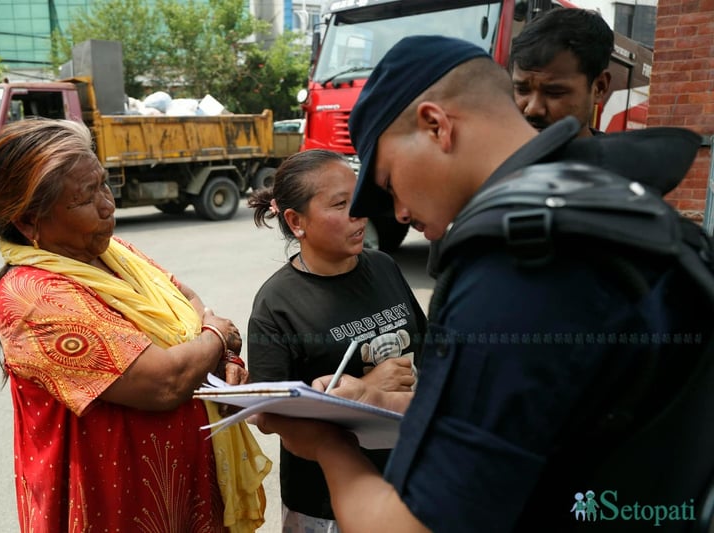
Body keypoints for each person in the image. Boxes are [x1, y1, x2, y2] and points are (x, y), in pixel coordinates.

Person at [251, 36, 707, 532]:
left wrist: (326, 445)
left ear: (435, 126)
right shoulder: (611, 202)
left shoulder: (519, 270)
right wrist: (384, 401)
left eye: (389, 181)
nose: (399, 210)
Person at [0, 118, 271, 533]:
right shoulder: (35, 299)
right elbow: (165, 383)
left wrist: (222, 355)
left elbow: (188, 301)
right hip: (113, 505)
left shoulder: (111, 252)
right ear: (29, 222)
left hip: (188, 490)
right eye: (84, 198)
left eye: (103, 184)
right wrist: (217, 338)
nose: (108, 205)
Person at [246, 149, 427, 531]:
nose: (359, 212)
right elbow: (268, 415)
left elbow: (427, 349)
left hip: (410, 477)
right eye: (341, 204)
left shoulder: (383, 266)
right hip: (325, 503)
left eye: (358, 198)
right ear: (297, 222)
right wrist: (364, 389)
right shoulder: (276, 304)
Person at [510, 8, 613, 137]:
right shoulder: (490, 155)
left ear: (599, 87)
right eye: (522, 90)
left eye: (554, 93)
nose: (532, 109)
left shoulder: (623, 157)